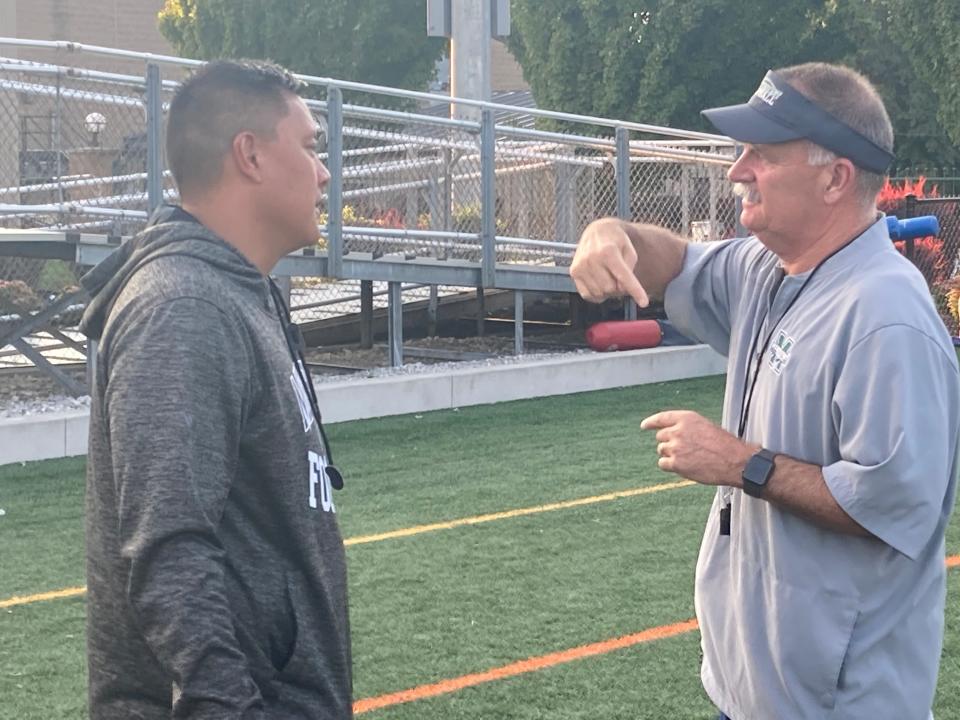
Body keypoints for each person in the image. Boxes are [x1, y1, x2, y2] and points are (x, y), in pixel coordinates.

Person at [570, 63, 959, 720]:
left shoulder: (886, 315)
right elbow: (679, 263)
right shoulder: (767, 267)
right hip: (751, 694)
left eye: (762, 154)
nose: (736, 170)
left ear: (835, 177)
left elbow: (889, 509)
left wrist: (738, 463)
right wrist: (614, 234)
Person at [79, 60, 352, 719]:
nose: (324, 172)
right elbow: (169, 547)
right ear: (250, 155)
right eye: (311, 147)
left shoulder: (235, 294)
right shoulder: (183, 307)